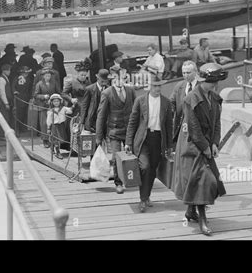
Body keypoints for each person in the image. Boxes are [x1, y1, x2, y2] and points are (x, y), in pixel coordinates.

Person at [172, 63, 227, 236]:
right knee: (204, 181)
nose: (215, 85)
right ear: (205, 81)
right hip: (191, 146)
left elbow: (217, 123)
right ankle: (202, 220)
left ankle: (190, 211)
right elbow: (194, 128)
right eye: (213, 82)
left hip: (206, 145)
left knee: (196, 181)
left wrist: (215, 143)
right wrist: (205, 148)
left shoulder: (215, 98)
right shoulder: (191, 99)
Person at [125, 75, 173, 212]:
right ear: (149, 86)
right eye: (155, 86)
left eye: (159, 86)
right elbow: (132, 122)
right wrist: (128, 142)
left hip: (158, 139)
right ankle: (142, 199)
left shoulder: (166, 102)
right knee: (144, 167)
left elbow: (169, 125)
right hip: (143, 139)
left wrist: (169, 146)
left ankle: (146, 196)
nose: (158, 88)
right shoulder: (140, 101)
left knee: (152, 170)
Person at [95, 68, 136, 194]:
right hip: (114, 131)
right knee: (116, 156)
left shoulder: (130, 91)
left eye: (122, 79)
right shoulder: (107, 93)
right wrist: (98, 136)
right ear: (112, 80)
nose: (120, 82)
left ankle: (132, 179)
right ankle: (118, 183)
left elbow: (136, 110)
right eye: (117, 79)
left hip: (129, 130)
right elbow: (101, 115)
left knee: (132, 155)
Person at [170, 60, 198, 143]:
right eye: (184, 73)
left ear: (196, 72)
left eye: (188, 73)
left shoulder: (201, 86)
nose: (186, 75)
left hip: (197, 127)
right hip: (180, 126)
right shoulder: (179, 86)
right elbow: (172, 102)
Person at [34, 69, 62, 148]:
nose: (48, 77)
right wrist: (43, 96)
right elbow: (35, 95)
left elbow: (58, 92)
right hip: (43, 106)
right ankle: (45, 140)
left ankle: (53, 139)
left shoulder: (54, 83)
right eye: (46, 76)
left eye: (49, 76)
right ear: (43, 76)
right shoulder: (39, 84)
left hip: (52, 106)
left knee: (53, 122)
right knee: (44, 123)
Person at [80, 68, 109, 134]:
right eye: (102, 81)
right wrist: (82, 121)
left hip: (104, 120)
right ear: (98, 79)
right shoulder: (89, 89)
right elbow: (84, 105)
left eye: (106, 81)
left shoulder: (109, 89)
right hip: (92, 119)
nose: (104, 83)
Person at [47, 94, 73, 159]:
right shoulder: (50, 110)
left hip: (61, 125)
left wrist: (73, 106)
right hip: (54, 126)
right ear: (52, 102)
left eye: (57, 101)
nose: (56, 103)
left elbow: (70, 111)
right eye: (54, 101)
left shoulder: (63, 108)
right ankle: (57, 152)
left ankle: (52, 148)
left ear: (60, 101)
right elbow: (49, 120)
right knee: (56, 139)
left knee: (59, 139)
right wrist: (48, 127)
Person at [12, 66, 34, 134]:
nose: (26, 74)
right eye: (24, 73)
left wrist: (31, 96)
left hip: (26, 98)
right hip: (19, 98)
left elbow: (30, 89)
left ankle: (22, 128)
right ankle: (17, 129)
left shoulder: (29, 79)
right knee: (18, 114)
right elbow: (13, 86)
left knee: (24, 114)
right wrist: (14, 91)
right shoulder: (16, 78)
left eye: (27, 73)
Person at [0, 64, 14, 139]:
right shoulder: (1, 79)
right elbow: (2, 92)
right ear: (4, 71)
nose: (9, 72)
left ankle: (3, 134)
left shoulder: (5, 78)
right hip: (2, 102)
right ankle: (1, 135)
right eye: (8, 70)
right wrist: (6, 103)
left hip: (5, 101)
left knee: (6, 117)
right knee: (3, 117)